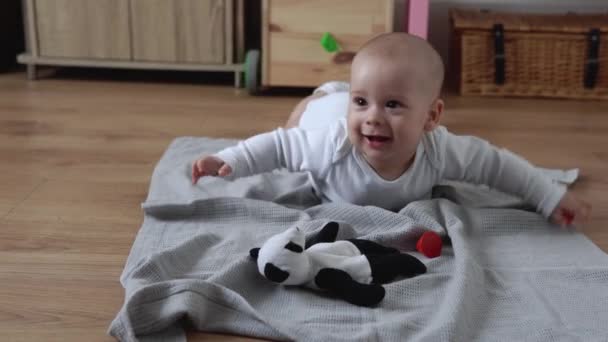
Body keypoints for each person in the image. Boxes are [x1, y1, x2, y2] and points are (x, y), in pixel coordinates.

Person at [192, 32, 591, 226]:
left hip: (344, 102)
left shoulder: (440, 151)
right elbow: (278, 147)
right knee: (300, 119)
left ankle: (348, 90)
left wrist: (546, 195)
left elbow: (496, 166)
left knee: (354, 96)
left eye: (394, 105)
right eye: (363, 104)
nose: (374, 118)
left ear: (432, 118)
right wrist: (228, 161)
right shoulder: (332, 143)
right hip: (325, 110)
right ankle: (334, 92)